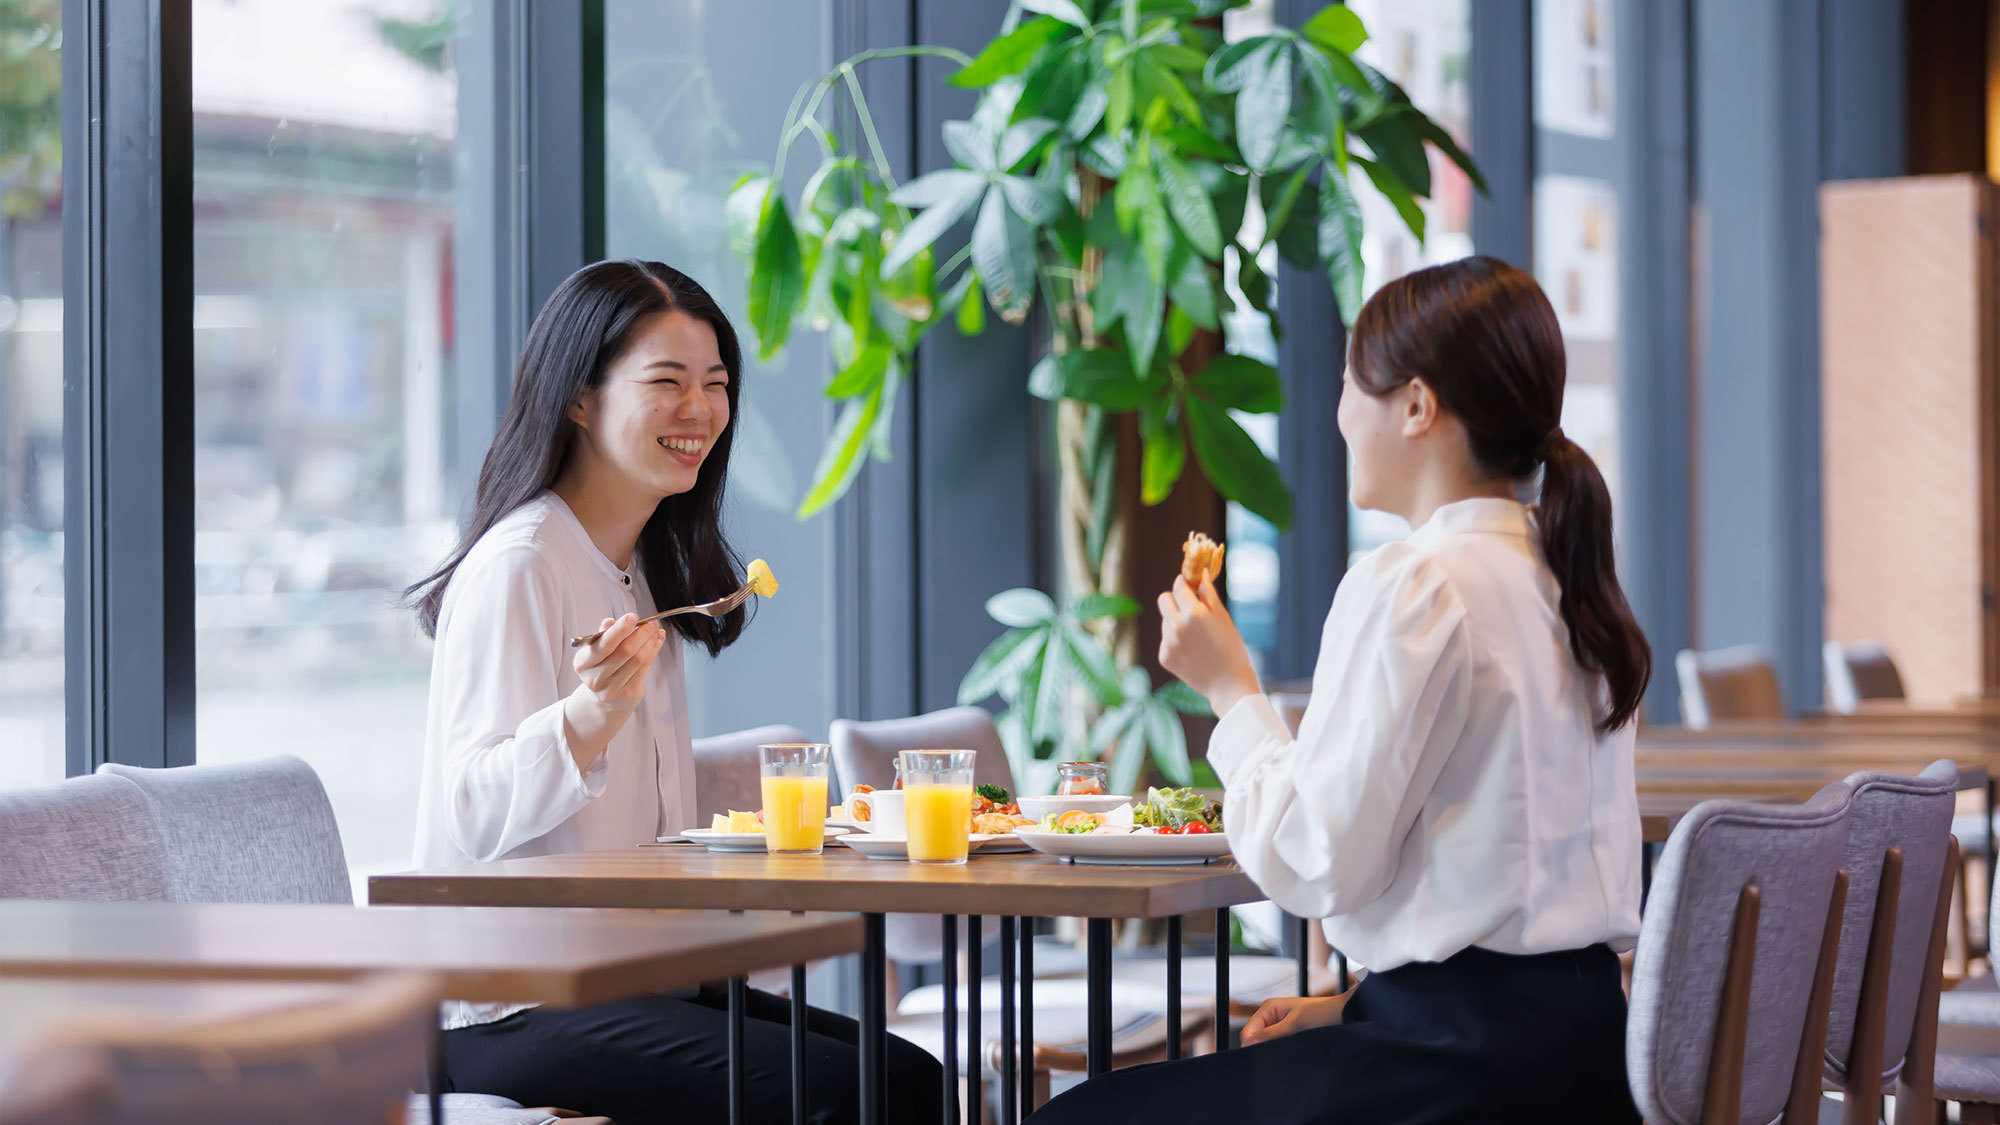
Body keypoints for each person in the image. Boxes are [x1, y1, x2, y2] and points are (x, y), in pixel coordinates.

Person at [1033, 256, 1647, 1122]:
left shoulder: (1418, 582)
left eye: (1349, 384)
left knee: (1075, 1115)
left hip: (1456, 1077)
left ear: (1417, 406)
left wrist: (1231, 692)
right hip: (1581, 1062)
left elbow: (1314, 859)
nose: (1337, 414)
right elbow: (1504, 889)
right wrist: (1354, 1007)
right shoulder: (1566, 576)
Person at [406, 259, 941, 1125]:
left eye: (716, 384)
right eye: (667, 382)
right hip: (510, 1001)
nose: (700, 410)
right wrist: (584, 720)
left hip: (637, 977)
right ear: (579, 399)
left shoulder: (640, 567)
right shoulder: (522, 563)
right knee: (848, 1095)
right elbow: (466, 811)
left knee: (911, 1076)